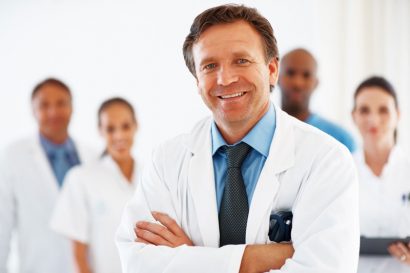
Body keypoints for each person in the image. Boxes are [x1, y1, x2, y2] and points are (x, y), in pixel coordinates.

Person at [116, 4, 359, 273]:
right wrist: (259, 259)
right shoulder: (166, 162)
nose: (226, 78)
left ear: (272, 69)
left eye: (241, 60)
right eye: (209, 66)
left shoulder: (326, 159)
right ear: (197, 80)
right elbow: (137, 263)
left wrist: (190, 258)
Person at [0, 78, 96, 273]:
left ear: (72, 107)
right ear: (33, 110)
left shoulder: (92, 157)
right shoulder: (13, 156)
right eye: (44, 105)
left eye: (61, 103)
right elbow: (2, 224)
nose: (53, 112)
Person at [50, 97, 139, 273]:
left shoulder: (151, 175)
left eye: (125, 126)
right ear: (100, 131)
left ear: (136, 126)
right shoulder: (81, 179)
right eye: (110, 129)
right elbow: (78, 255)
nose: (119, 135)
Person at [352, 76, 410, 273]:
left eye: (383, 110)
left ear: (398, 114)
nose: (373, 119)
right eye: (364, 110)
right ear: (354, 116)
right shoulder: (340, 169)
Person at [278, 48, 356, 152]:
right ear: (276, 78)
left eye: (306, 75)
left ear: (316, 83)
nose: (298, 83)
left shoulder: (341, 140)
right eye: (291, 73)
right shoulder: (262, 131)